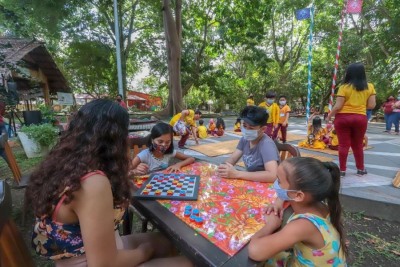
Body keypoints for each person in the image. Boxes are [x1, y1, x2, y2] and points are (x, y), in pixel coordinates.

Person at [26, 99, 193, 267]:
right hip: (95, 261)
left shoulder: (70, 163)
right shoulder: (93, 183)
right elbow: (104, 264)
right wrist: (145, 252)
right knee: (191, 262)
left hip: (89, 252)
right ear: (115, 138)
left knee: (167, 242)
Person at [248, 157, 347, 266]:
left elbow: (255, 251)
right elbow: (288, 192)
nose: (275, 184)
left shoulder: (303, 225)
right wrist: (278, 203)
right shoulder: (320, 206)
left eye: (279, 181)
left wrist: (271, 225)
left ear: (299, 195)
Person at [327, 63, 376, 177]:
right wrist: (359, 106)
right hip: (360, 118)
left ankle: (342, 171)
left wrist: (330, 115)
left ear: (348, 73)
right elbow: (372, 105)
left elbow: (338, 106)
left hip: (343, 118)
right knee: (358, 144)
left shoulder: (344, 87)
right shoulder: (370, 86)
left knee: (344, 145)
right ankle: (360, 169)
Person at [217, 106, 279, 182]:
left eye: (251, 128)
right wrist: (224, 167)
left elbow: (272, 175)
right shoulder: (245, 139)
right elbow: (233, 158)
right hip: (251, 181)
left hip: (266, 186)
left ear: (263, 129)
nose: (246, 130)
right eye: (244, 126)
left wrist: (237, 174)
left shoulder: (266, 145)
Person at [130, 122, 195, 175]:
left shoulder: (170, 152)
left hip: (162, 184)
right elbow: (124, 173)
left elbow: (191, 158)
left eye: (168, 142)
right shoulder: (144, 155)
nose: (164, 145)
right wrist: (134, 171)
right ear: (152, 140)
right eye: (160, 141)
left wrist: (178, 165)